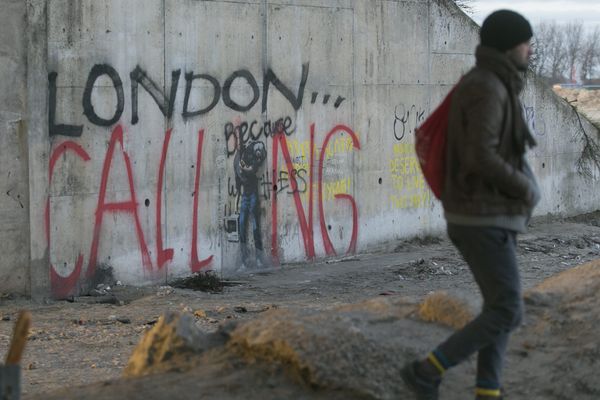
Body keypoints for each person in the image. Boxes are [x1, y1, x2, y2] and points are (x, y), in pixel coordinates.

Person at [401, 10, 541, 400]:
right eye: (526, 43)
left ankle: (488, 391)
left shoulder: (495, 83)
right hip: (481, 217)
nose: (530, 50)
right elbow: (482, 155)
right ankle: (427, 371)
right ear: (511, 45)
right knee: (507, 310)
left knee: (500, 309)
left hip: (489, 214)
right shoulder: (488, 87)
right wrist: (526, 189)